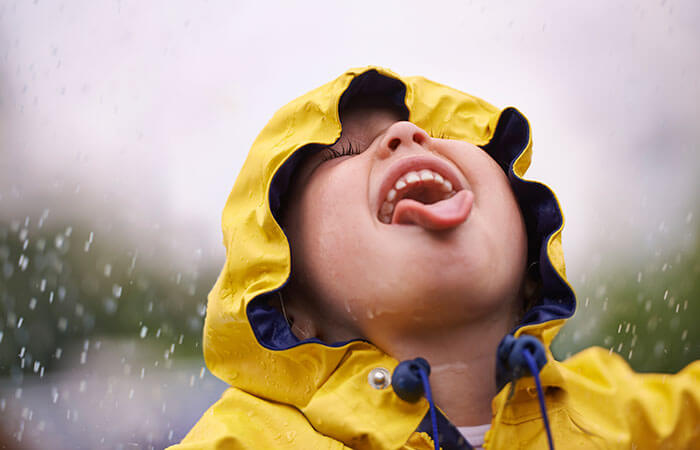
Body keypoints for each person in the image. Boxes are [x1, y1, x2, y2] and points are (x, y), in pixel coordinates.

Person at [169, 66, 699, 449]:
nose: (407, 135)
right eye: (344, 154)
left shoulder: (631, 420)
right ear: (288, 302)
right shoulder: (247, 442)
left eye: (444, 135)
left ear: (532, 267)